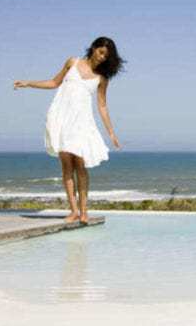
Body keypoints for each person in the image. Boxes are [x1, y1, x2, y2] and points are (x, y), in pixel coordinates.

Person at [14, 37, 125, 224]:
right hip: (62, 118)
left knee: (80, 166)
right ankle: (73, 211)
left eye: (106, 56)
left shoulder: (102, 78)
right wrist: (28, 83)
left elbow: (102, 106)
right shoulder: (72, 62)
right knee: (67, 166)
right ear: (93, 48)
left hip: (82, 122)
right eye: (101, 52)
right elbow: (53, 82)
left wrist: (111, 132)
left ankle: (84, 212)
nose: (102, 57)